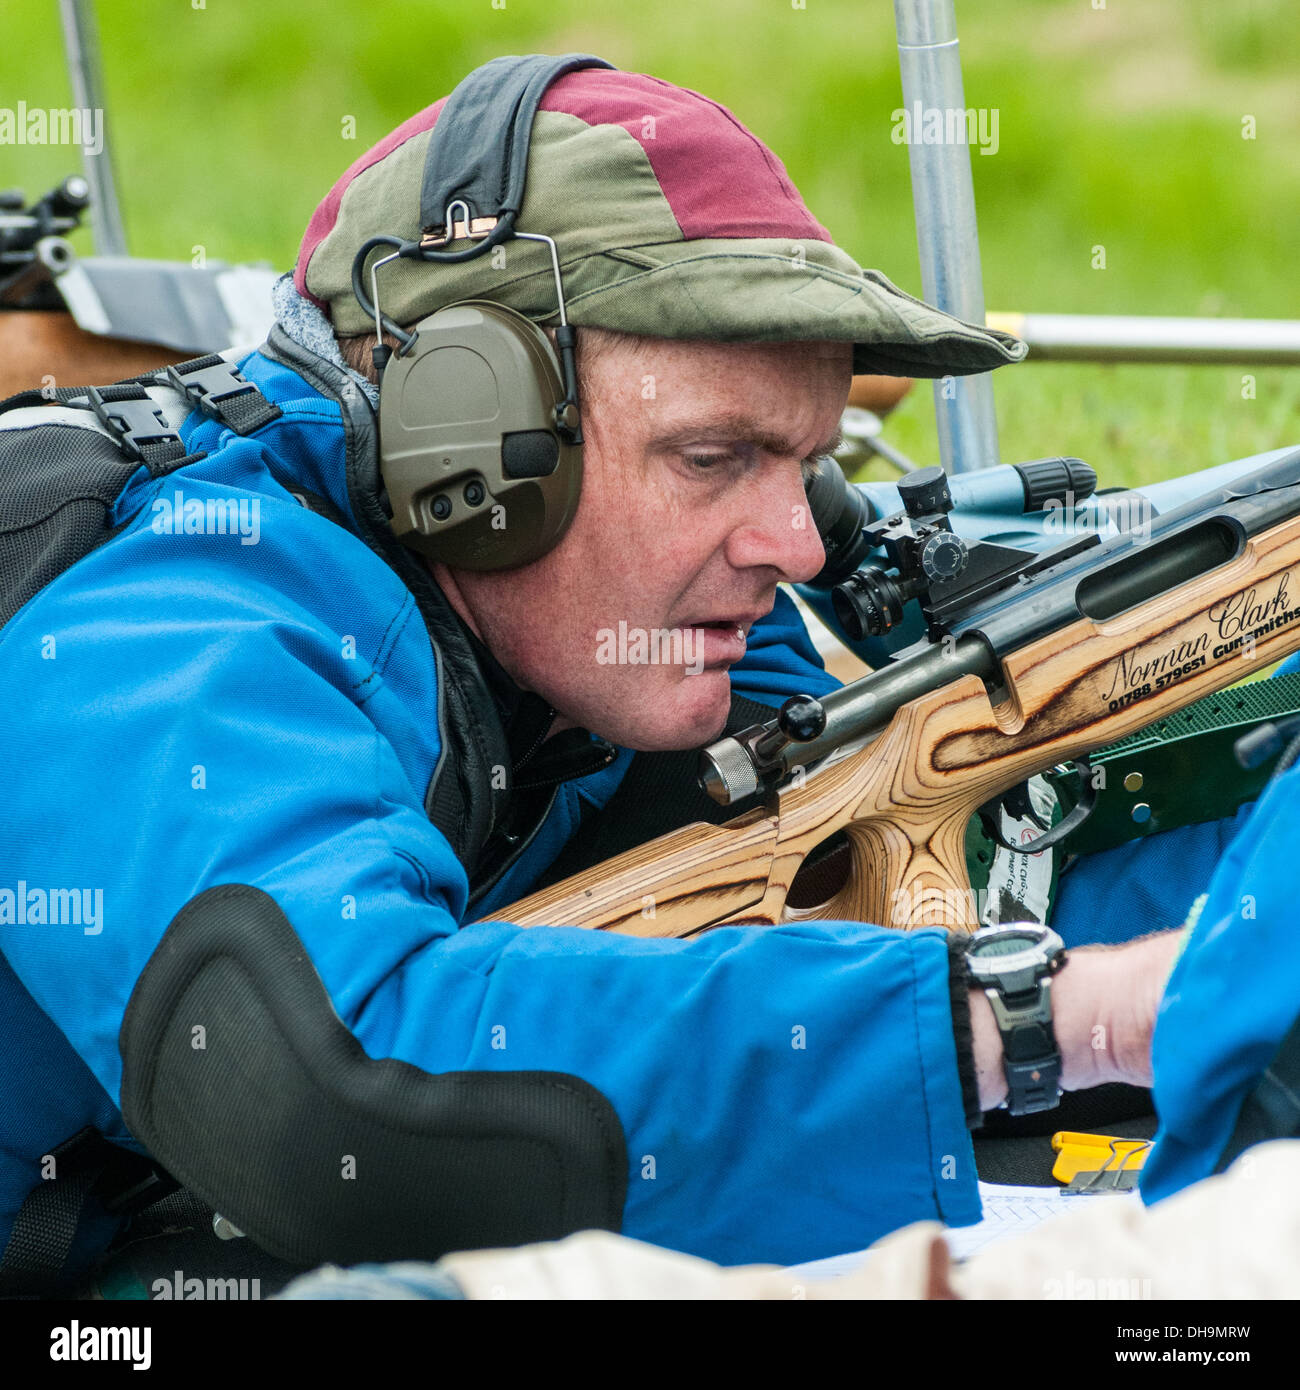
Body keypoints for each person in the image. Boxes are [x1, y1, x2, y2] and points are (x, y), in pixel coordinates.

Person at [0, 57, 1239, 1291]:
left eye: (805, 464)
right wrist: (1056, 1019)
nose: (798, 544)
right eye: (712, 456)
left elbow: (842, 877)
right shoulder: (159, 627)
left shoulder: (617, 637)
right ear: (467, 441)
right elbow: (341, 1106)